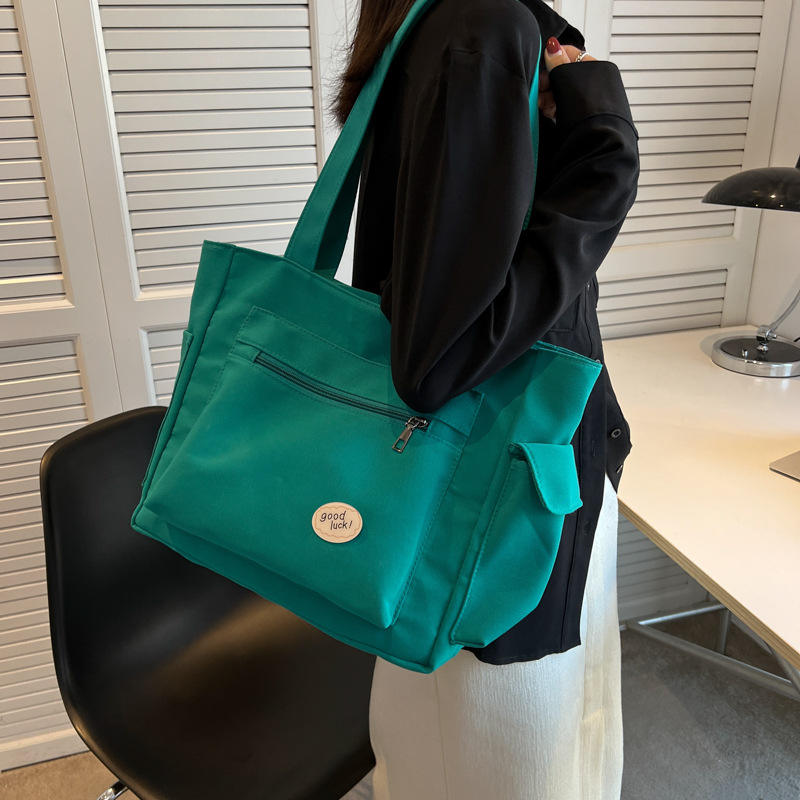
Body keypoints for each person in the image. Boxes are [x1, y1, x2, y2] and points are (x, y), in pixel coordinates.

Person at [330, 0, 640, 797]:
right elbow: (442, 356)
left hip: (492, 491)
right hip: (498, 514)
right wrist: (604, 162)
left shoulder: (463, 22)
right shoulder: (483, 27)